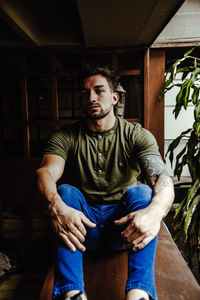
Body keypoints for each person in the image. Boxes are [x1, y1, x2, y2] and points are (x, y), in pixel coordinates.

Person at [36, 66, 174, 300]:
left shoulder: (135, 134)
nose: (91, 98)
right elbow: (46, 172)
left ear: (114, 97)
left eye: (99, 91)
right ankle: (72, 294)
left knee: (141, 192)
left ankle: (139, 294)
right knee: (65, 192)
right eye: (84, 92)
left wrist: (155, 213)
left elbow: (162, 178)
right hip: (81, 229)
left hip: (123, 230)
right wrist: (55, 206)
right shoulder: (65, 136)